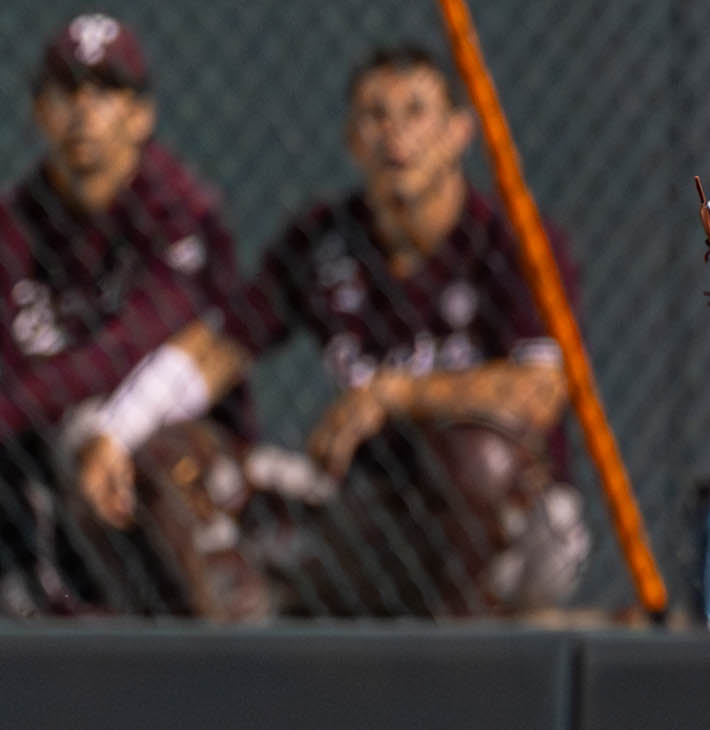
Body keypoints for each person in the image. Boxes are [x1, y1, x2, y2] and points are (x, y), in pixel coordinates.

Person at [180, 43, 587, 617]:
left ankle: (466, 649)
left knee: (476, 456)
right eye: (376, 116)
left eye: (417, 112)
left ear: (458, 133)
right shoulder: (322, 240)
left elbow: (538, 393)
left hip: (521, 523)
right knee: (209, 481)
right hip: (379, 513)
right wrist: (123, 421)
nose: (396, 135)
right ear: (352, 140)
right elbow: (220, 348)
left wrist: (396, 394)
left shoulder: (515, 241)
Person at [0, 13, 267, 621]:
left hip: (185, 447)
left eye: (106, 92)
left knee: (136, 453)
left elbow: (129, 347)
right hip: (51, 440)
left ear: (141, 117)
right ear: (41, 113)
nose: (84, 112)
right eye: (67, 91)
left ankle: (213, 660)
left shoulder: (179, 209)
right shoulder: (16, 223)